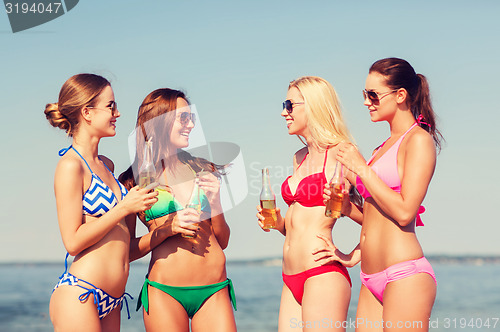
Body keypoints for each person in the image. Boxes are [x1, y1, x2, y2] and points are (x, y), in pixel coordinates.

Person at [323, 58, 442, 331]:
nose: (367, 102)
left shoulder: (419, 140)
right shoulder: (381, 149)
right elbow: (375, 217)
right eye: (365, 95)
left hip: (403, 274)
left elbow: (404, 212)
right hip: (369, 276)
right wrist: (345, 209)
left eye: (373, 95)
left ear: (400, 95)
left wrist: (361, 170)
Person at [45, 73, 159, 332]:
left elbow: (125, 248)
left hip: (113, 301)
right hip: (81, 295)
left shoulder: (107, 165)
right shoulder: (70, 166)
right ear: (87, 112)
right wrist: (124, 207)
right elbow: (72, 241)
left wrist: (165, 232)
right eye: (111, 106)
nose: (117, 113)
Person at [119, 88, 237, 332]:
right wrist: (166, 230)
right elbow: (127, 251)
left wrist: (215, 203)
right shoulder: (132, 181)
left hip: (214, 289)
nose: (191, 124)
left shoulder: (202, 168)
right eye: (183, 118)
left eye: (191, 117)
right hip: (165, 293)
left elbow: (223, 240)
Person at [257, 76, 357, 331]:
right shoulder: (299, 157)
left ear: (313, 106)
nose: (283, 112)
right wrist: (280, 223)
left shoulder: (342, 152)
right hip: (290, 277)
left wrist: (353, 255)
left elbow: (381, 216)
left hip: (322, 274)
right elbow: (298, 225)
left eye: (289, 105)